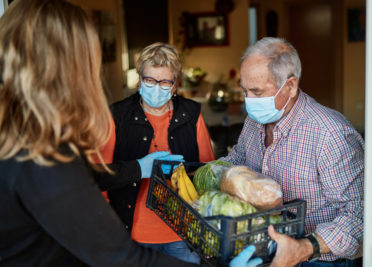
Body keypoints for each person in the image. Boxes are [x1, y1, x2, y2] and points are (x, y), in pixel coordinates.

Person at [0, 0, 259, 266]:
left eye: (165, 81)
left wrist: (138, 168)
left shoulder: (24, 141)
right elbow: (122, 256)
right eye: (90, 60)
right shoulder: (44, 157)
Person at [221, 37, 364, 267]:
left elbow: (358, 213)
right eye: (245, 91)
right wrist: (206, 173)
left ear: (290, 86)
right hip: (263, 249)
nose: (248, 101)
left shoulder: (331, 134)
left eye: (257, 92)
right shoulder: (254, 120)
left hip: (319, 259)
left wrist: (305, 248)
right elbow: (238, 159)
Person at [101, 42, 215, 264]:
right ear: (139, 78)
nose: (156, 87)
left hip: (183, 234)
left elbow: (207, 172)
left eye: (164, 82)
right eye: (150, 80)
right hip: (133, 234)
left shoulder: (191, 115)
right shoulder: (117, 116)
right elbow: (102, 174)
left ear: (175, 85)